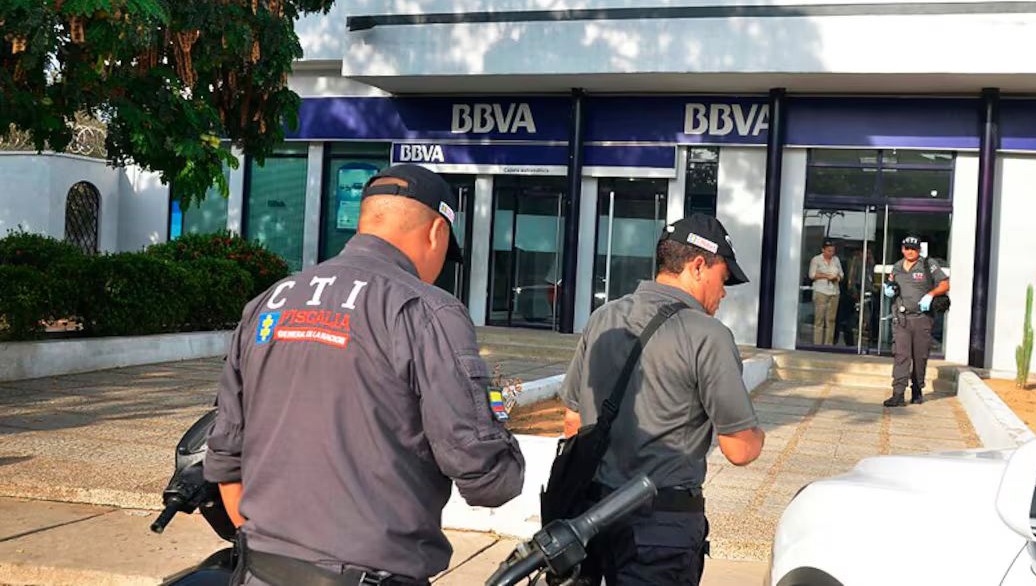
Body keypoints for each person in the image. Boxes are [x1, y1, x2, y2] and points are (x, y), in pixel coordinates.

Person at [205, 164, 525, 586]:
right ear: (436, 233)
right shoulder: (426, 310)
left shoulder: (269, 302)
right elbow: (488, 479)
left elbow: (226, 457)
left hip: (259, 571)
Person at [560, 214, 765, 586]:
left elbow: (572, 421)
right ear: (699, 266)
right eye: (724, 279)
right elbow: (739, 450)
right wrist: (756, 435)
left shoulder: (603, 317)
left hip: (591, 518)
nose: (723, 294)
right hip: (660, 530)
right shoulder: (708, 335)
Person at [882, 235, 950, 407]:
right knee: (901, 356)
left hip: (922, 319)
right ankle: (898, 393)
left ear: (918, 250)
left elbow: (944, 284)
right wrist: (889, 289)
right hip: (902, 319)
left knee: (919, 357)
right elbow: (891, 284)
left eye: (913, 248)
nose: (910, 251)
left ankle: (917, 389)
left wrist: (931, 294)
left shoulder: (928, 264)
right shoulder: (897, 267)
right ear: (902, 249)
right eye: (906, 248)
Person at [808, 238, 843, 345]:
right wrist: (826, 276)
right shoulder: (816, 260)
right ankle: (817, 344)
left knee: (831, 320)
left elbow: (841, 274)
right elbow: (812, 275)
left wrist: (836, 277)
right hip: (821, 291)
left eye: (833, 251)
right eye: (829, 251)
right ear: (823, 250)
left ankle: (828, 344)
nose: (831, 253)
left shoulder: (836, 260)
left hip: (834, 292)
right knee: (819, 320)